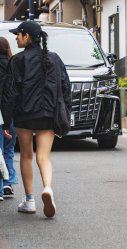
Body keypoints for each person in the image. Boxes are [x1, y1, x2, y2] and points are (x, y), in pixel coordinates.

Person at [2, 21, 71, 217]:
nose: (16, 38)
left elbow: (10, 93)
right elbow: (65, 88)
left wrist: (6, 121)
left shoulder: (17, 60)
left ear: (27, 36)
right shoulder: (55, 58)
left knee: (26, 156)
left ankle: (30, 200)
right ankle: (47, 188)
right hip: (49, 115)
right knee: (44, 156)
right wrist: (65, 112)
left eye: (18, 34)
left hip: (24, 115)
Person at [0, 37, 18, 200]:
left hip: (1, 114)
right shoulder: (13, 66)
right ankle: (8, 182)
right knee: (8, 150)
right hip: (10, 115)